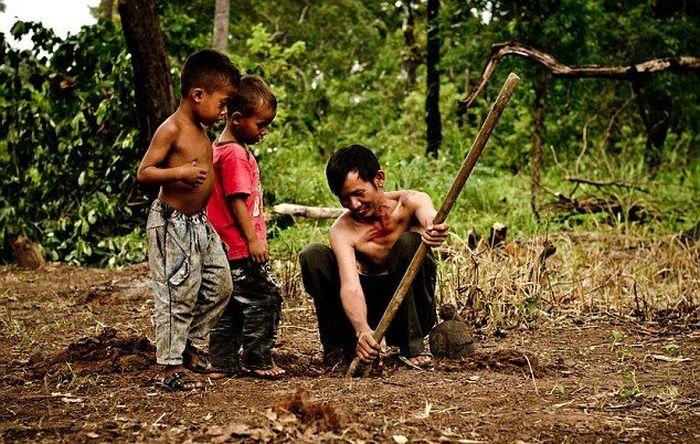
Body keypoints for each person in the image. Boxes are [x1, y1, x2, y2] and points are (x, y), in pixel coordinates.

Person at [137, 49, 239, 391]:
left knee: (219, 284)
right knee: (176, 293)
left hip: (199, 224)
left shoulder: (202, 129)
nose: (224, 111)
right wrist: (178, 172)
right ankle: (169, 367)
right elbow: (144, 172)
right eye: (222, 103)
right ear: (198, 95)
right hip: (171, 223)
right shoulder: (173, 128)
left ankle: (189, 348)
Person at [299, 145, 449, 368]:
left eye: (359, 194)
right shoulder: (343, 229)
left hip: (412, 310)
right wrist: (362, 329)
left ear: (379, 179)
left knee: (410, 242)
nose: (354, 205)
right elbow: (351, 285)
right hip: (368, 312)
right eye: (344, 198)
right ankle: (338, 348)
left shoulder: (411, 202)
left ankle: (413, 346)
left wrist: (433, 229)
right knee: (313, 255)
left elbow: (430, 217)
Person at [206, 75, 285, 379]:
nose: (264, 132)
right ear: (236, 119)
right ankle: (257, 357)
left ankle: (222, 361)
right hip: (240, 247)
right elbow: (237, 200)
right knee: (265, 298)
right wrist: (253, 240)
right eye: (261, 124)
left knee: (229, 306)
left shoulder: (218, 150)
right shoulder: (236, 155)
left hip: (223, 247)